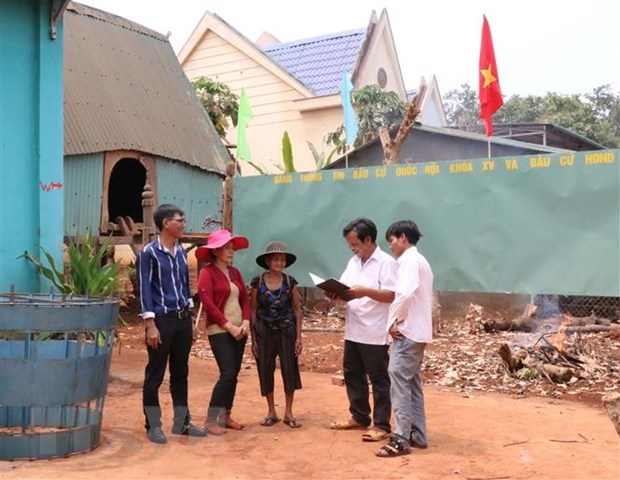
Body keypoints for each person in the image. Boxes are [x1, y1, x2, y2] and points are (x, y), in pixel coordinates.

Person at [137, 203, 206, 444]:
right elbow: (145, 290)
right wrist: (150, 324)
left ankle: (182, 423)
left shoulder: (181, 254)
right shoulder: (148, 253)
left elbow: (185, 287)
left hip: (181, 319)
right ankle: (153, 425)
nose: (183, 224)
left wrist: (191, 319)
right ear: (166, 223)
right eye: (180, 220)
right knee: (154, 375)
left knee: (180, 373)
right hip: (161, 321)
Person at [328, 217, 397, 442]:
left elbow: (392, 295)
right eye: (350, 244)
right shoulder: (354, 262)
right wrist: (336, 294)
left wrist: (366, 291)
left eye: (355, 244)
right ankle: (359, 415)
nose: (353, 248)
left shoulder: (386, 263)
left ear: (368, 240)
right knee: (353, 373)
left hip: (375, 330)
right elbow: (347, 289)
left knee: (379, 378)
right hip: (354, 328)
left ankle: (382, 424)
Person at [376, 220, 434, 458]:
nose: (390, 245)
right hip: (418, 332)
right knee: (411, 383)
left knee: (399, 380)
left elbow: (405, 294)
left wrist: (392, 321)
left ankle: (401, 438)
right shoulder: (420, 261)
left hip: (407, 331)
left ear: (402, 237)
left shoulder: (409, 261)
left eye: (391, 240)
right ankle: (417, 434)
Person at [195, 229, 250, 435]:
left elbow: (245, 299)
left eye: (232, 248)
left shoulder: (235, 273)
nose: (231, 251)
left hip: (240, 329)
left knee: (233, 374)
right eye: (226, 248)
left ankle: (226, 415)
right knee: (227, 373)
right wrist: (229, 326)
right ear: (215, 251)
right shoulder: (206, 273)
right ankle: (210, 419)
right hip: (219, 329)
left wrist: (245, 321)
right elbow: (208, 305)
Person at [250, 241, 303, 428]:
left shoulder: (290, 282)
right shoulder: (258, 282)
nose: (280, 263)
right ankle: (271, 411)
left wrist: (299, 337)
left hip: (287, 330)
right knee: (265, 369)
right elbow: (253, 310)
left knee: (289, 368)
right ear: (268, 261)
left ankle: (289, 412)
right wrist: (254, 339)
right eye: (276, 259)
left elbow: (297, 310)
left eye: (282, 260)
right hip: (264, 331)